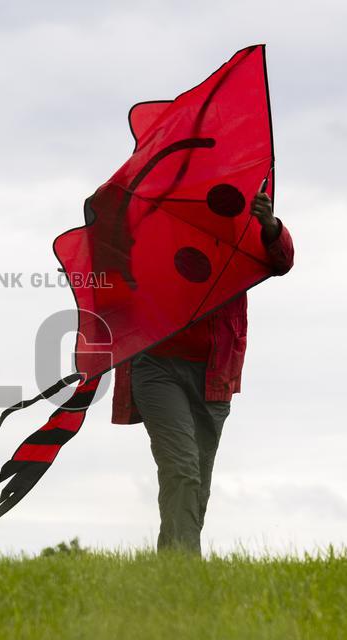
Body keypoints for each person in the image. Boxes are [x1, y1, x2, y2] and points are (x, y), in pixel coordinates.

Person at [110, 192, 295, 554]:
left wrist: (270, 225)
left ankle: (174, 567)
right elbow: (112, 266)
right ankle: (184, 566)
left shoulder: (243, 223)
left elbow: (282, 262)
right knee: (182, 468)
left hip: (214, 372)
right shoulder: (152, 219)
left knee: (199, 480)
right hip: (156, 365)